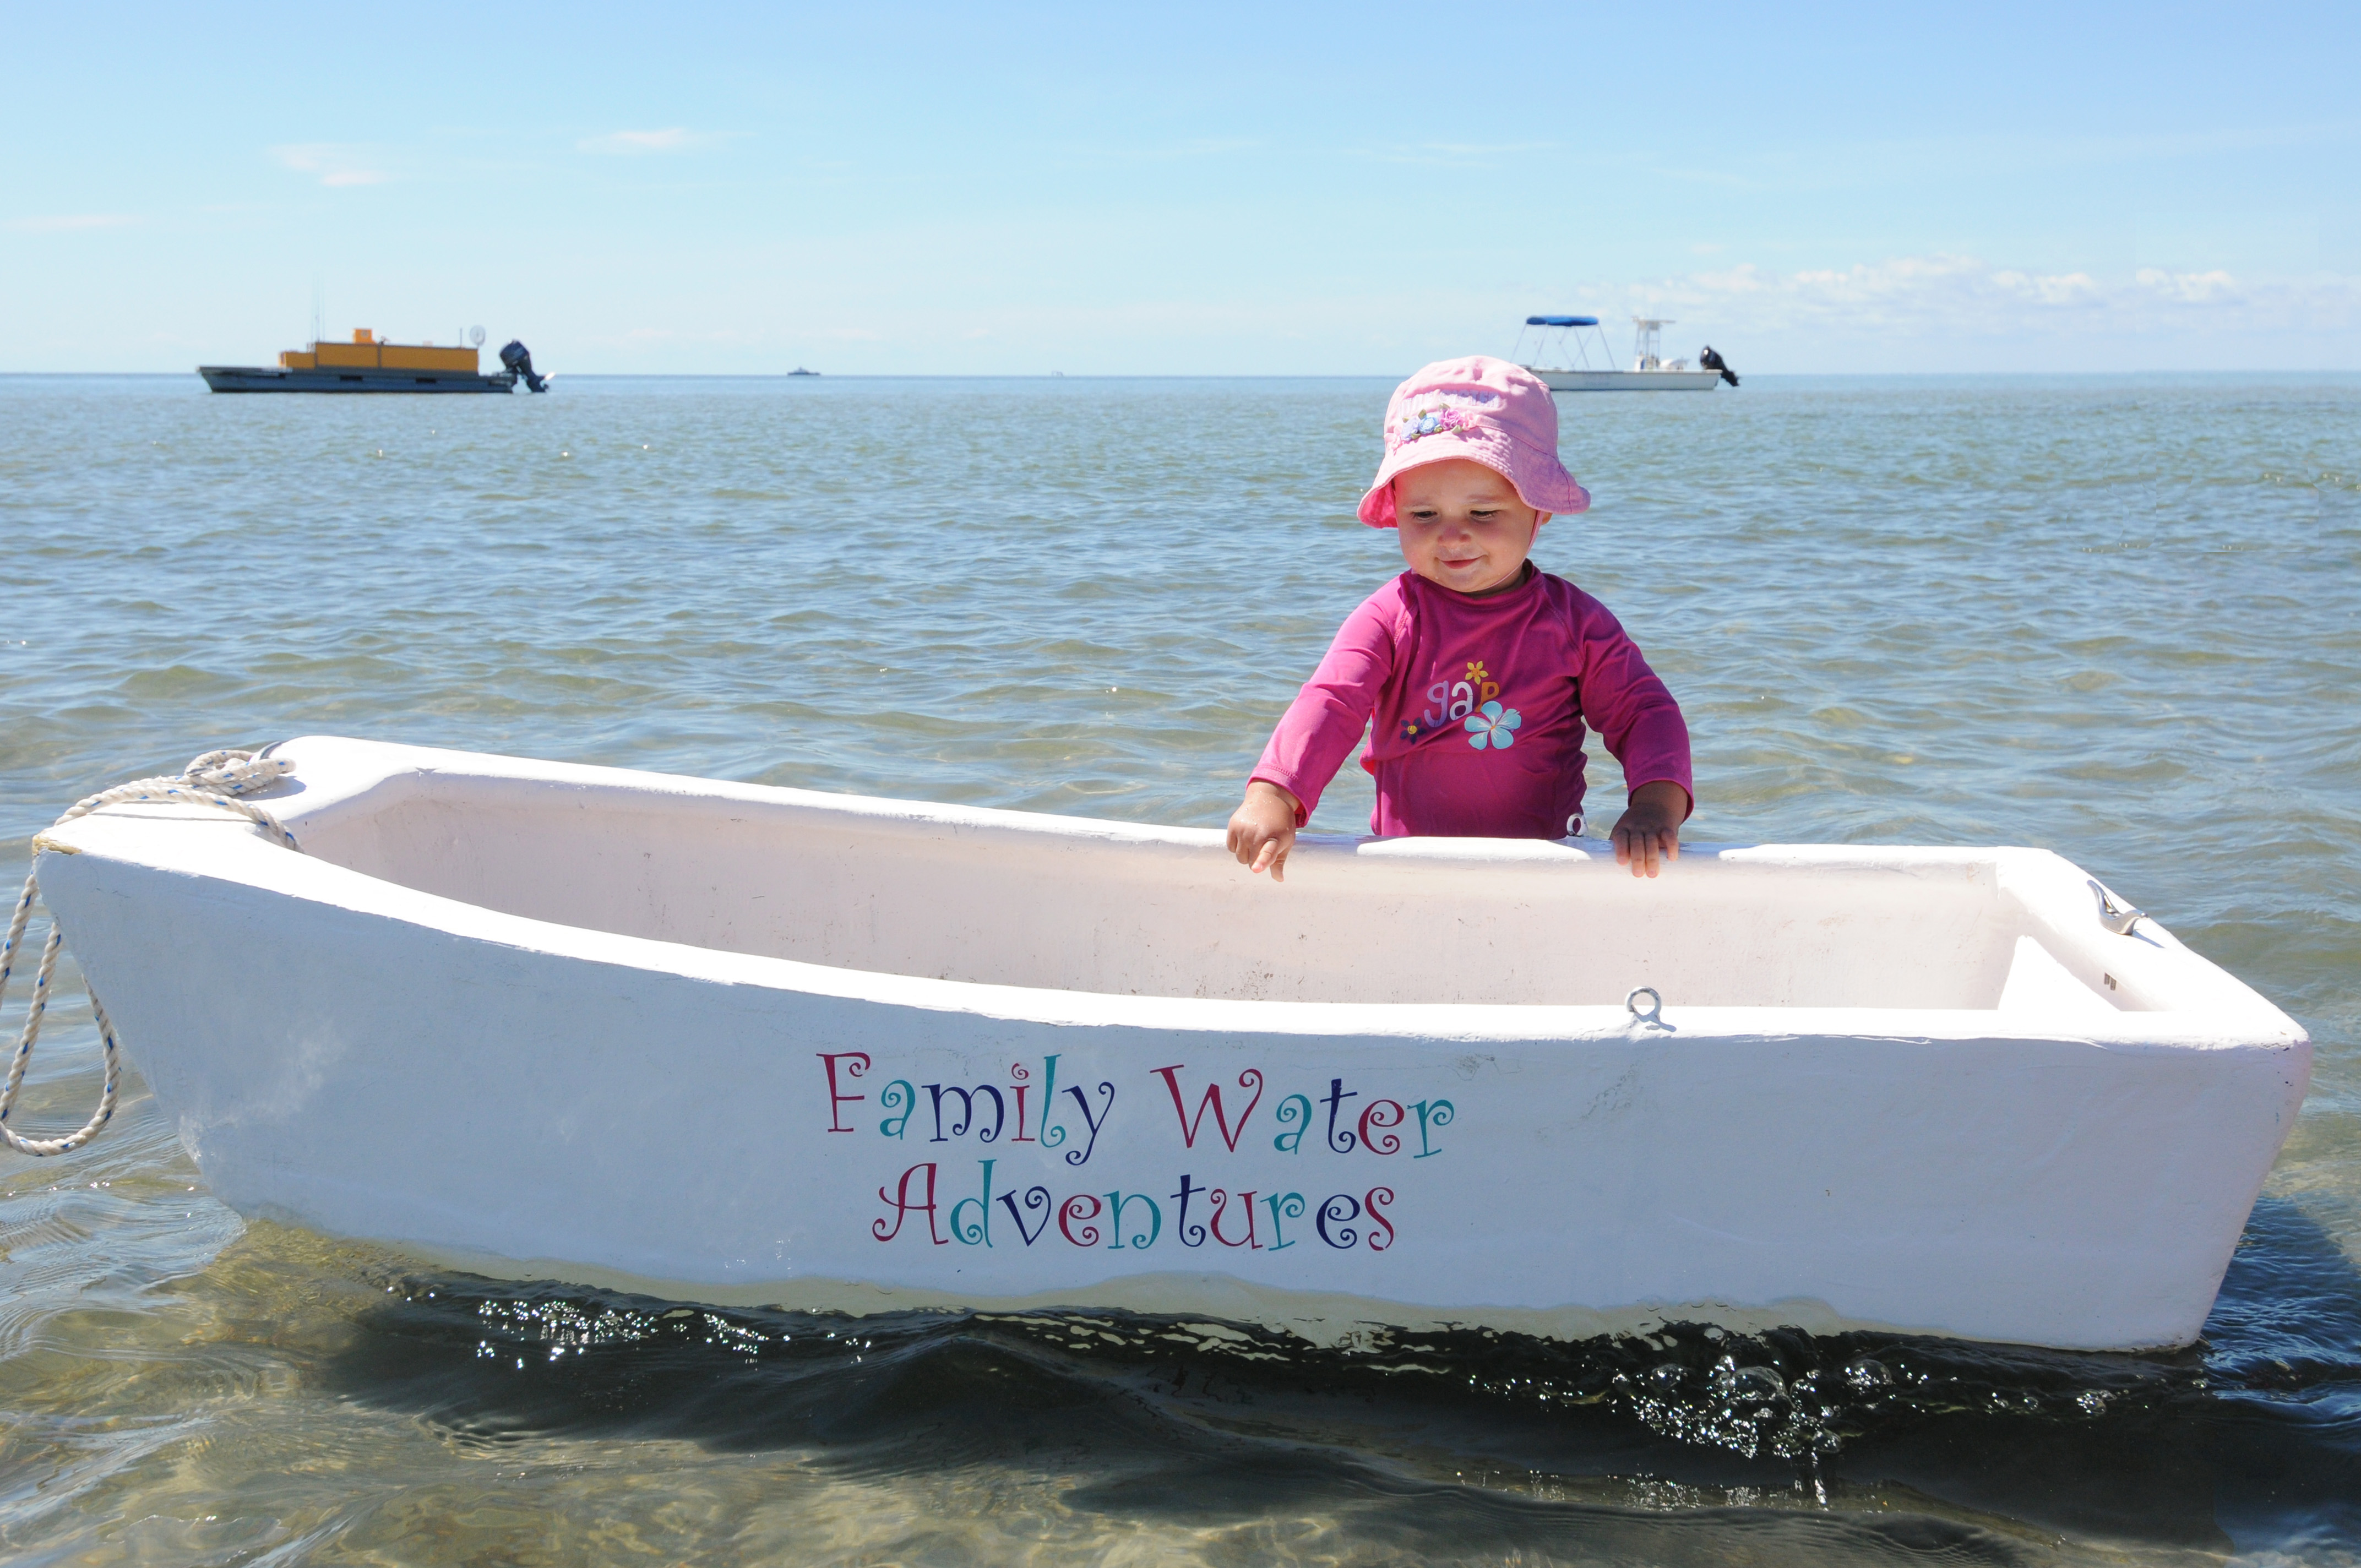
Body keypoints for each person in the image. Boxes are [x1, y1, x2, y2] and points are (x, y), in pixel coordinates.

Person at [1226, 355, 1691, 883]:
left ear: (1538, 511)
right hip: (1412, 870)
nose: (1452, 536)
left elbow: (1644, 712)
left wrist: (1656, 806)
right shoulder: (1389, 619)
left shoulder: (1574, 623)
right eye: (1424, 515)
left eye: (1483, 513)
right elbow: (1331, 703)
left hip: (1546, 870)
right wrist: (1274, 795)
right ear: (1397, 510)